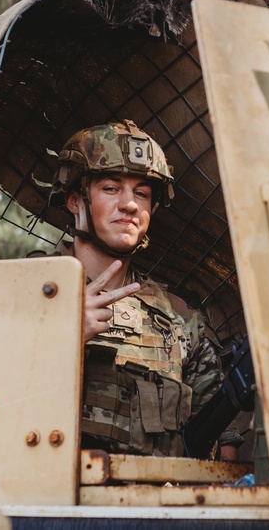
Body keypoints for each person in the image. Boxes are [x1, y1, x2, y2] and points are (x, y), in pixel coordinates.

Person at [47, 120, 228, 457]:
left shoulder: (179, 320)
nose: (130, 204)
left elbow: (218, 456)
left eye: (141, 193)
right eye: (111, 188)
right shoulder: (17, 293)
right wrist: (57, 333)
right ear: (75, 200)